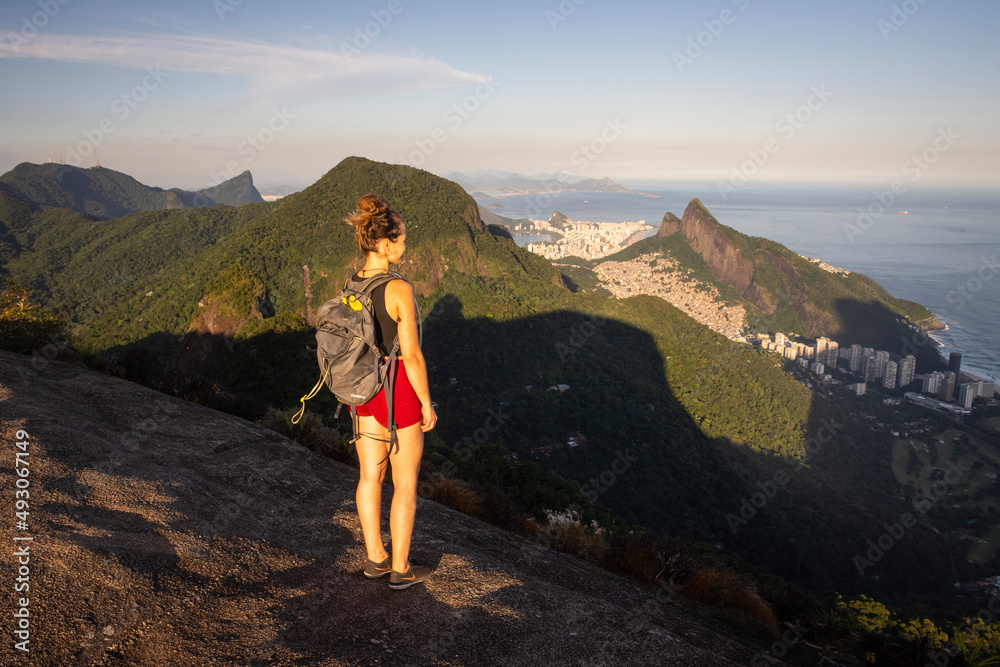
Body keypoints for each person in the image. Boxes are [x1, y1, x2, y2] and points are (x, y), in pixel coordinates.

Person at [344, 193, 438, 590]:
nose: (405, 246)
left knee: (370, 477)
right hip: (397, 390)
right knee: (404, 484)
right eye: (401, 240)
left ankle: (375, 558)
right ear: (385, 245)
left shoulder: (353, 281)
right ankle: (401, 568)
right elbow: (412, 356)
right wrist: (427, 403)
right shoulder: (399, 289)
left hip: (363, 390)